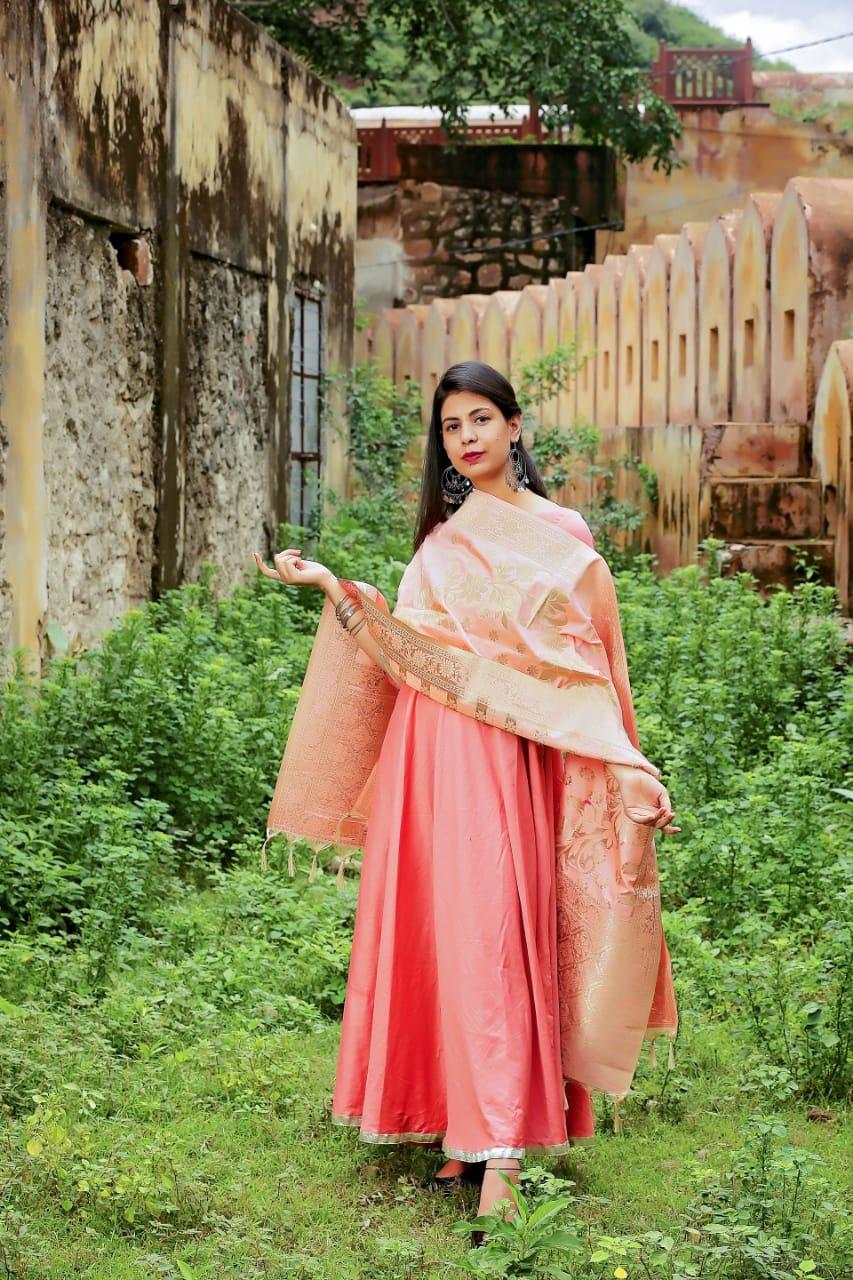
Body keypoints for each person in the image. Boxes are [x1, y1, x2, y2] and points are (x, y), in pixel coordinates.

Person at [254, 361, 679, 1241]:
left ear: (515, 427)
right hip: (429, 756)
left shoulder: (560, 536)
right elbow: (412, 649)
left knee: (494, 938)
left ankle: (505, 1158)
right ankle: (459, 1131)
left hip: (505, 762)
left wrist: (623, 759)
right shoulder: (443, 541)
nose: (468, 438)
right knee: (441, 936)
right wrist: (334, 586)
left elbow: (588, 664)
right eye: (451, 427)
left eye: (481, 418)